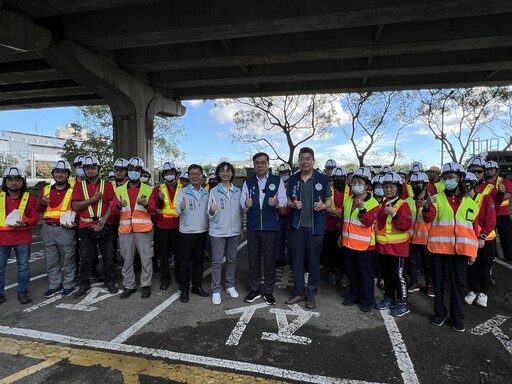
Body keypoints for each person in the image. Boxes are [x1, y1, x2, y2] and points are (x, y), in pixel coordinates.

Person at [423, 162, 479, 332]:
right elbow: (428, 219)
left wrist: (473, 253)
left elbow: (473, 229)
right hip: (438, 249)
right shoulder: (437, 198)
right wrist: (426, 206)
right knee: (438, 283)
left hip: (461, 251)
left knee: (459, 285)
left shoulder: (471, 202)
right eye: (446, 178)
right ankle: (440, 314)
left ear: (460, 178)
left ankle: (457, 317)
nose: (448, 181)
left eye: (452, 177)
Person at [285, 147, 331, 309]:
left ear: (313, 160)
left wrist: (323, 206)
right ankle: (298, 292)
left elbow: (329, 200)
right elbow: (287, 201)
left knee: (313, 262)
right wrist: (293, 204)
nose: (305, 161)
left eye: (308, 158)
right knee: (296, 261)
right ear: (299, 161)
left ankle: (311, 293)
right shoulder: (293, 179)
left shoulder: (322, 179)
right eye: (302, 159)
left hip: (315, 227)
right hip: (297, 227)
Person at [240, 152, 287, 305]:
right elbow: (242, 202)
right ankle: (254, 290)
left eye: (263, 163)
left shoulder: (276, 180)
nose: (260, 165)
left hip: (270, 226)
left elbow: (284, 201)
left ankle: (268, 292)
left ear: (268, 164)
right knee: (253, 260)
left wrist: (277, 202)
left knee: (269, 261)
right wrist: (245, 204)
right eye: (257, 163)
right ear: (254, 165)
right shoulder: (249, 182)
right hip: (253, 226)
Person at [71, 155, 118, 299]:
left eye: (93, 168)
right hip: (86, 225)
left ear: (98, 169)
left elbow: (112, 204)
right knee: (86, 257)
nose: (90, 171)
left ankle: (109, 280)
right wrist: (93, 199)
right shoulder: (78, 186)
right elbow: (75, 205)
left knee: (108, 256)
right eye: (87, 168)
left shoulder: (107, 185)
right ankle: (84, 283)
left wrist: (103, 221)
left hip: (105, 224)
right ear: (83, 170)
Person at [112, 157, 156, 299]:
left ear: (141, 172)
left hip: (144, 230)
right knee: (127, 260)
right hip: (125, 230)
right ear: (127, 172)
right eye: (131, 170)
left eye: (137, 170)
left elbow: (154, 210)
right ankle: (129, 285)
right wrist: (119, 206)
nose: (133, 173)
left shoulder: (149, 189)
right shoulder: (118, 190)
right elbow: (113, 211)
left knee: (146, 259)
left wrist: (146, 205)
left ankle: (146, 285)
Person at [341, 167, 379, 312]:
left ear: (367, 185)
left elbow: (368, 222)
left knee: (365, 274)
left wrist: (362, 208)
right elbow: (344, 220)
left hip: (365, 245)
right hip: (348, 243)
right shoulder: (349, 199)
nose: (356, 184)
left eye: (360, 182)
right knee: (352, 271)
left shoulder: (373, 203)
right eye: (354, 182)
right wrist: (341, 236)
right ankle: (353, 295)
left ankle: (367, 300)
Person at [374, 172, 412, 317]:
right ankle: (389, 298)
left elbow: (406, 225)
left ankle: (403, 302)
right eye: (386, 187)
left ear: (398, 188)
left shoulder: (403, 205)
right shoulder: (382, 204)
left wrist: (394, 214)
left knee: (399, 276)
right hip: (383, 248)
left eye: (392, 187)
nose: (388, 190)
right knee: (387, 275)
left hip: (398, 249)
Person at [0, 166, 39, 305]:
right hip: (2, 239)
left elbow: (35, 216)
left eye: (17, 179)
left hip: (22, 237)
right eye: (10, 180)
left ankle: (23, 291)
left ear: (22, 182)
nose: (13, 183)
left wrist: (26, 223)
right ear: (5, 182)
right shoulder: (0, 196)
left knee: (23, 266)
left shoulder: (29, 197)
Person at [38, 160, 77, 298]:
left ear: (68, 175)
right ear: (53, 174)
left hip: (65, 230)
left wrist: (75, 224)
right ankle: (54, 285)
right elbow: (40, 209)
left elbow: (79, 209)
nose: (60, 175)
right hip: (48, 228)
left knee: (68, 259)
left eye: (63, 172)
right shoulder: (46, 190)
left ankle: (68, 284)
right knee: (51, 259)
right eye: (57, 172)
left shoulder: (74, 190)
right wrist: (43, 203)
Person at [208, 162, 242, 305]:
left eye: (228, 171)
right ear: (219, 174)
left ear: (232, 173)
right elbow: (209, 214)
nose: (226, 173)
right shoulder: (214, 191)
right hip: (218, 231)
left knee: (232, 260)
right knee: (216, 262)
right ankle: (216, 289)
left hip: (233, 231)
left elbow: (240, 212)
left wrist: (240, 228)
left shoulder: (238, 191)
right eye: (222, 171)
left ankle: (229, 285)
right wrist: (212, 210)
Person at [176, 164, 210, 303]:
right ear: (188, 176)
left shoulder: (206, 193)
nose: (195, 176)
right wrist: (181, 207)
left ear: (202, 176)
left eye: (197, 174)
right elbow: (177, 210)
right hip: (187, 232)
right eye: (192, 174)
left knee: (199, 262)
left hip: (202, 232)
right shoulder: (183, 192)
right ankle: (184, 290)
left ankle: (197, 286)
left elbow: (210, 212)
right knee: (185, 263)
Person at [464, 172, 496, 308]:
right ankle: (472, 290)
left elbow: (491, 220)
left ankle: (483, 293)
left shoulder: (486, 199)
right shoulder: (463, 200)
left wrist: (482, 236)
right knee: (471, 268)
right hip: (469, 240)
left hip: (486, 240)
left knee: (484, 268)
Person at [151, 161, 182, 290]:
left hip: (179, 226)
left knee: (179, 254)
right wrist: (159, 199)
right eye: (167, 173)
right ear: (163, 175)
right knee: (163, 254)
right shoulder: (157, 189)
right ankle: (165, 278)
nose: (169, 175)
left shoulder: (184, 188)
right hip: (163, 226)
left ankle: (180, 277)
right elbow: (155, 207)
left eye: (171, 173)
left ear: (176, 174)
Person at [405, 172, 434, 297]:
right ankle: (414, 282)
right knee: (412, 262)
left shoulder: (433, 200)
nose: (416, 186)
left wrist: (427, 206)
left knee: (428, 264)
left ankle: (430, 285)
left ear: (426, 184)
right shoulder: (407, 201)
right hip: (411, 238)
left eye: (419, 183)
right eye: (414, 184)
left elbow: (429, 219)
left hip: (426, 238)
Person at [483, 161, 512, 263]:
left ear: (496, 170)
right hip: (488, 215)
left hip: (502, 215)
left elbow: (508, 194)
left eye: (492, 170)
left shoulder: (504, 182)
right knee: (490, 237)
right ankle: (493, 255)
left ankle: (509, 257)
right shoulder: (483, 183)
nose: (489, 172)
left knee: (507, 237)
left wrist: (498, 197)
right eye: (487, 170)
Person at [325, 166, 347, 285]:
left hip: (346, 227)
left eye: (341, 178)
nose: (339, 180)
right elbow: (325, 206)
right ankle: (332, 272)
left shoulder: (351, 191)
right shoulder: (329, 189)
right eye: (336, 178)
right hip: (330, 225)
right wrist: (336, 213)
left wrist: (342, 217)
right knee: (331, 250)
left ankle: (344, 274)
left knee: (344, 252)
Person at [276, 163, 292, 268]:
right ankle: (280, 259)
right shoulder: (277, 184)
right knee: (279, 239)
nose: (284, 175)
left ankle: (291, 260)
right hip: (280, 216)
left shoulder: (294, 184)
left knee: (291, 239)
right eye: (282, 173)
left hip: (291, 216)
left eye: (286, 173)